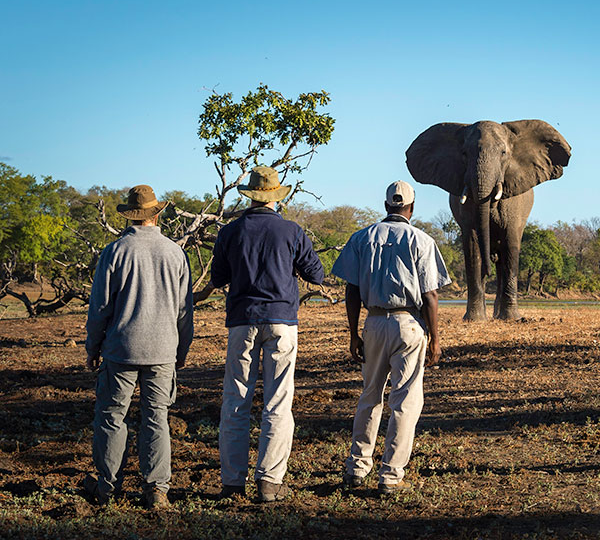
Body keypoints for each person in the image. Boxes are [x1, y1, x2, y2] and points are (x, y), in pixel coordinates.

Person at [206, 166, 324, 502]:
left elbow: (217, 277)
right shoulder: (291, 230)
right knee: (278, 402)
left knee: (235, 402)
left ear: (250, 196)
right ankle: (270, 482)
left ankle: (232, 482)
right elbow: (316, 274)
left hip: (242, 321)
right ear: (275, 197)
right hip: (281, 323)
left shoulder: (231, 231)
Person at [331, 180, 450, 495]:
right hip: (408, 323)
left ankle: (357, 467)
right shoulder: (421, 240)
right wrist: (435, 339)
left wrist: (354, 333)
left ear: (386, 205)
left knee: (370, 395)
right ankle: (391, 475)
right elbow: (431, 295)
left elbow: (352, 290)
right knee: (405, 400)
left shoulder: (362, 238)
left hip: (373, 322)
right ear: (411, 207)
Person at [84, 185, 193, 509]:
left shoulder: (114, 251)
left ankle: (107, 487)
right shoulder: (175, 253)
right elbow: (184, 311)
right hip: (162, 349)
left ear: (130, 215)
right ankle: (157, 489)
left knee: (111, 416)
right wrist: (181, 350)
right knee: (156, 417)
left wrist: (93, 346)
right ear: (156, 214)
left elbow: (99, 308)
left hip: (121, 348)